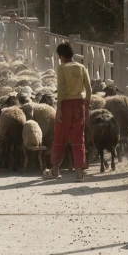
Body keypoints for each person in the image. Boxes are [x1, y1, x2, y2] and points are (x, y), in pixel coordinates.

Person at [44, 42, 91, 182]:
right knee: (78, 138)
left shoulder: (62, 68)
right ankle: (79, 172)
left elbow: (61, 89)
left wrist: (58, 109)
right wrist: (86, 106)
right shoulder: (82, 67)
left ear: (62, 56)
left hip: (65, 105)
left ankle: (55, 169)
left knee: (60, 137)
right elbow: (89, 89)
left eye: (59, 57)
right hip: (79, 105)